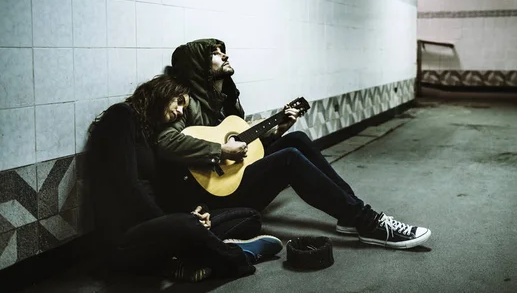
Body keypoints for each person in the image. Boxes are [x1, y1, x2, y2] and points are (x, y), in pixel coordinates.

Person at [156, 38, 432, 249]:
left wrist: (278, 130)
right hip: (214, 197)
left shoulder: (225, 99)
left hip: (232, 180)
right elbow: (166, 142)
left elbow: (245, 147)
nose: (225, 54)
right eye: (215, 52)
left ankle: (353, 213)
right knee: (288, 157)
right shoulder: (185, 102)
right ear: (199, 65)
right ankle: (368, 224)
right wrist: (219, 150)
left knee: (296, 139)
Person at [85, 74, 283, 282]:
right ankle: (239, 258)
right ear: (163, 91)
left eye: (184, 107)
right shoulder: (120, 116)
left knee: (249, 217)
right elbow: (128, 187)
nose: (180, 111)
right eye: (179, 102)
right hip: (125, 236)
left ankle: (190, 255)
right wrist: (174, 221)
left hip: (156, 224)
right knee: (186, 225)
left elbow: (161, 190)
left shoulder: (149, 131)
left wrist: (198, 210)